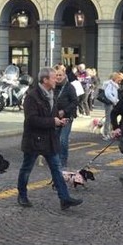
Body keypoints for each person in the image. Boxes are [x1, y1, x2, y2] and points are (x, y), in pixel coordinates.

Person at [16, 67, 83, 210]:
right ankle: (22, 195)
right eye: (53, 78)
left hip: (49, 139)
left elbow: (52, 114)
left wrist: (60, 119)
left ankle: (64, 199)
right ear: (45, 80)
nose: (56, 80)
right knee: (27, 168)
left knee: (56, 169)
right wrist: (53, 122)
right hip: (34, 139)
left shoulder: (52, 93)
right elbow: (31, 120)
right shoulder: (32, 96)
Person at [53, 63, 78, 168]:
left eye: (60, 75)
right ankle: (56, 158)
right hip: (55, 117)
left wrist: (65, 110)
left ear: (64, 76)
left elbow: (75, 101)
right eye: (57, 75)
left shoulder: (69, 87)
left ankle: (63, 161)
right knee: (55, 139)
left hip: (67, 116)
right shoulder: (53, 87)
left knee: (63, 139)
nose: (58, 77)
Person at [102, 72, 123, 140]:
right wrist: (115, 100)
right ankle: (106, 133)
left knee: (110, 118)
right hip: (109, 103)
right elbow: (108, 94)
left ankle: (110, 132)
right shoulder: (110, 84)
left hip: (112, 103)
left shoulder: (113, 84)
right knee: (109, 118)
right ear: (115, 78)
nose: (120, 81)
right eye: (119, 79)